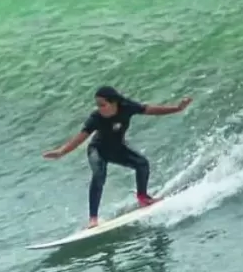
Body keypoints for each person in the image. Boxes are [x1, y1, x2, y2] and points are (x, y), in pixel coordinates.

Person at [43, 85, 192, 227]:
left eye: (102, 104)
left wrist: (178, 108)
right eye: (97, 105)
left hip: (117, 148)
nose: (99, 108)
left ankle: (143, 197)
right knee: (99, 174)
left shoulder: (127, 107)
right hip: (97, 150)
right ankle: (93, 219)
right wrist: (61, 152)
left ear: (113, 103)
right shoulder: (96, 118)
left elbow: (151, 109)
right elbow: (80, 138)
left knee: (142, 164)